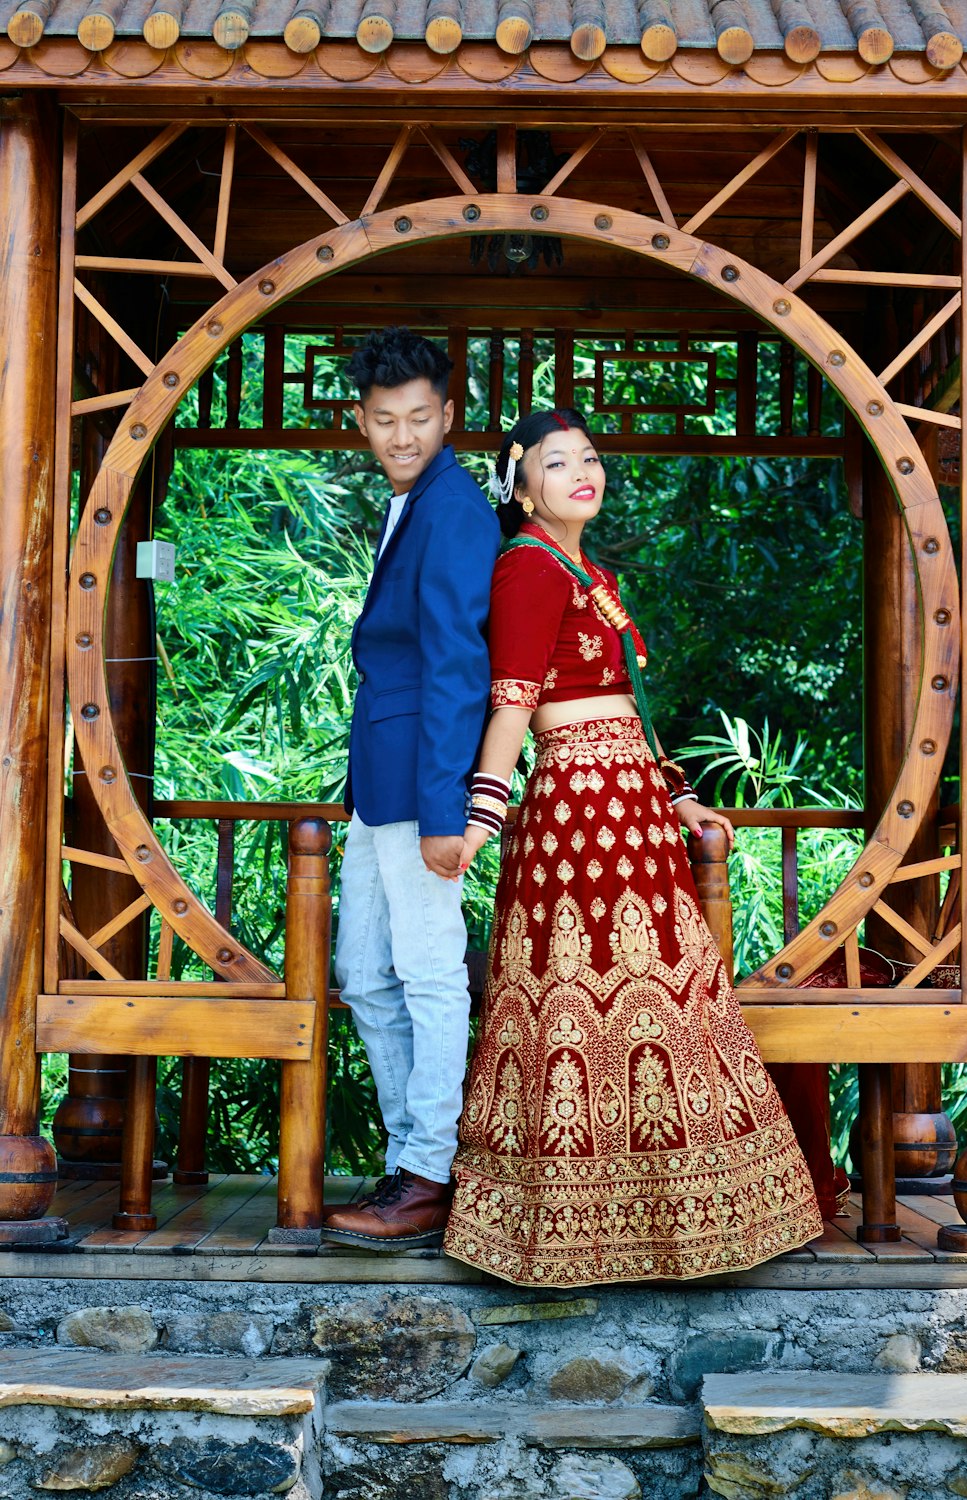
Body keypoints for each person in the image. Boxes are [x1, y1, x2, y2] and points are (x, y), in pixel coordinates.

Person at [442, 407, 823, 1286]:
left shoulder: (592, 571)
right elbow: (512, 703)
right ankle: (573, 1227)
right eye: (556, 461)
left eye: (591, 457)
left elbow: (635, 704)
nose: (582, 471)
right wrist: (484, 818)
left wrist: (682, 798)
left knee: (665, 1001)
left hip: (634, 809)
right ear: (522, 483)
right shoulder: (530, 569)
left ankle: (679, 1223)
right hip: (577, 805)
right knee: (579, 1005)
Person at [322, 328, 500, 1252]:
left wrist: (448, 812)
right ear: (363, 421)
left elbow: (458, 667)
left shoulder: (456, 507)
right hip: (376, 782)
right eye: (386, 420)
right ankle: (412, 1158)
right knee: (364, 974)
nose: (403, 435)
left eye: (420, 418)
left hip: (420, 789)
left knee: (429, 974)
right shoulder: (408, 501)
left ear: (449, 415)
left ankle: (432, 1175)